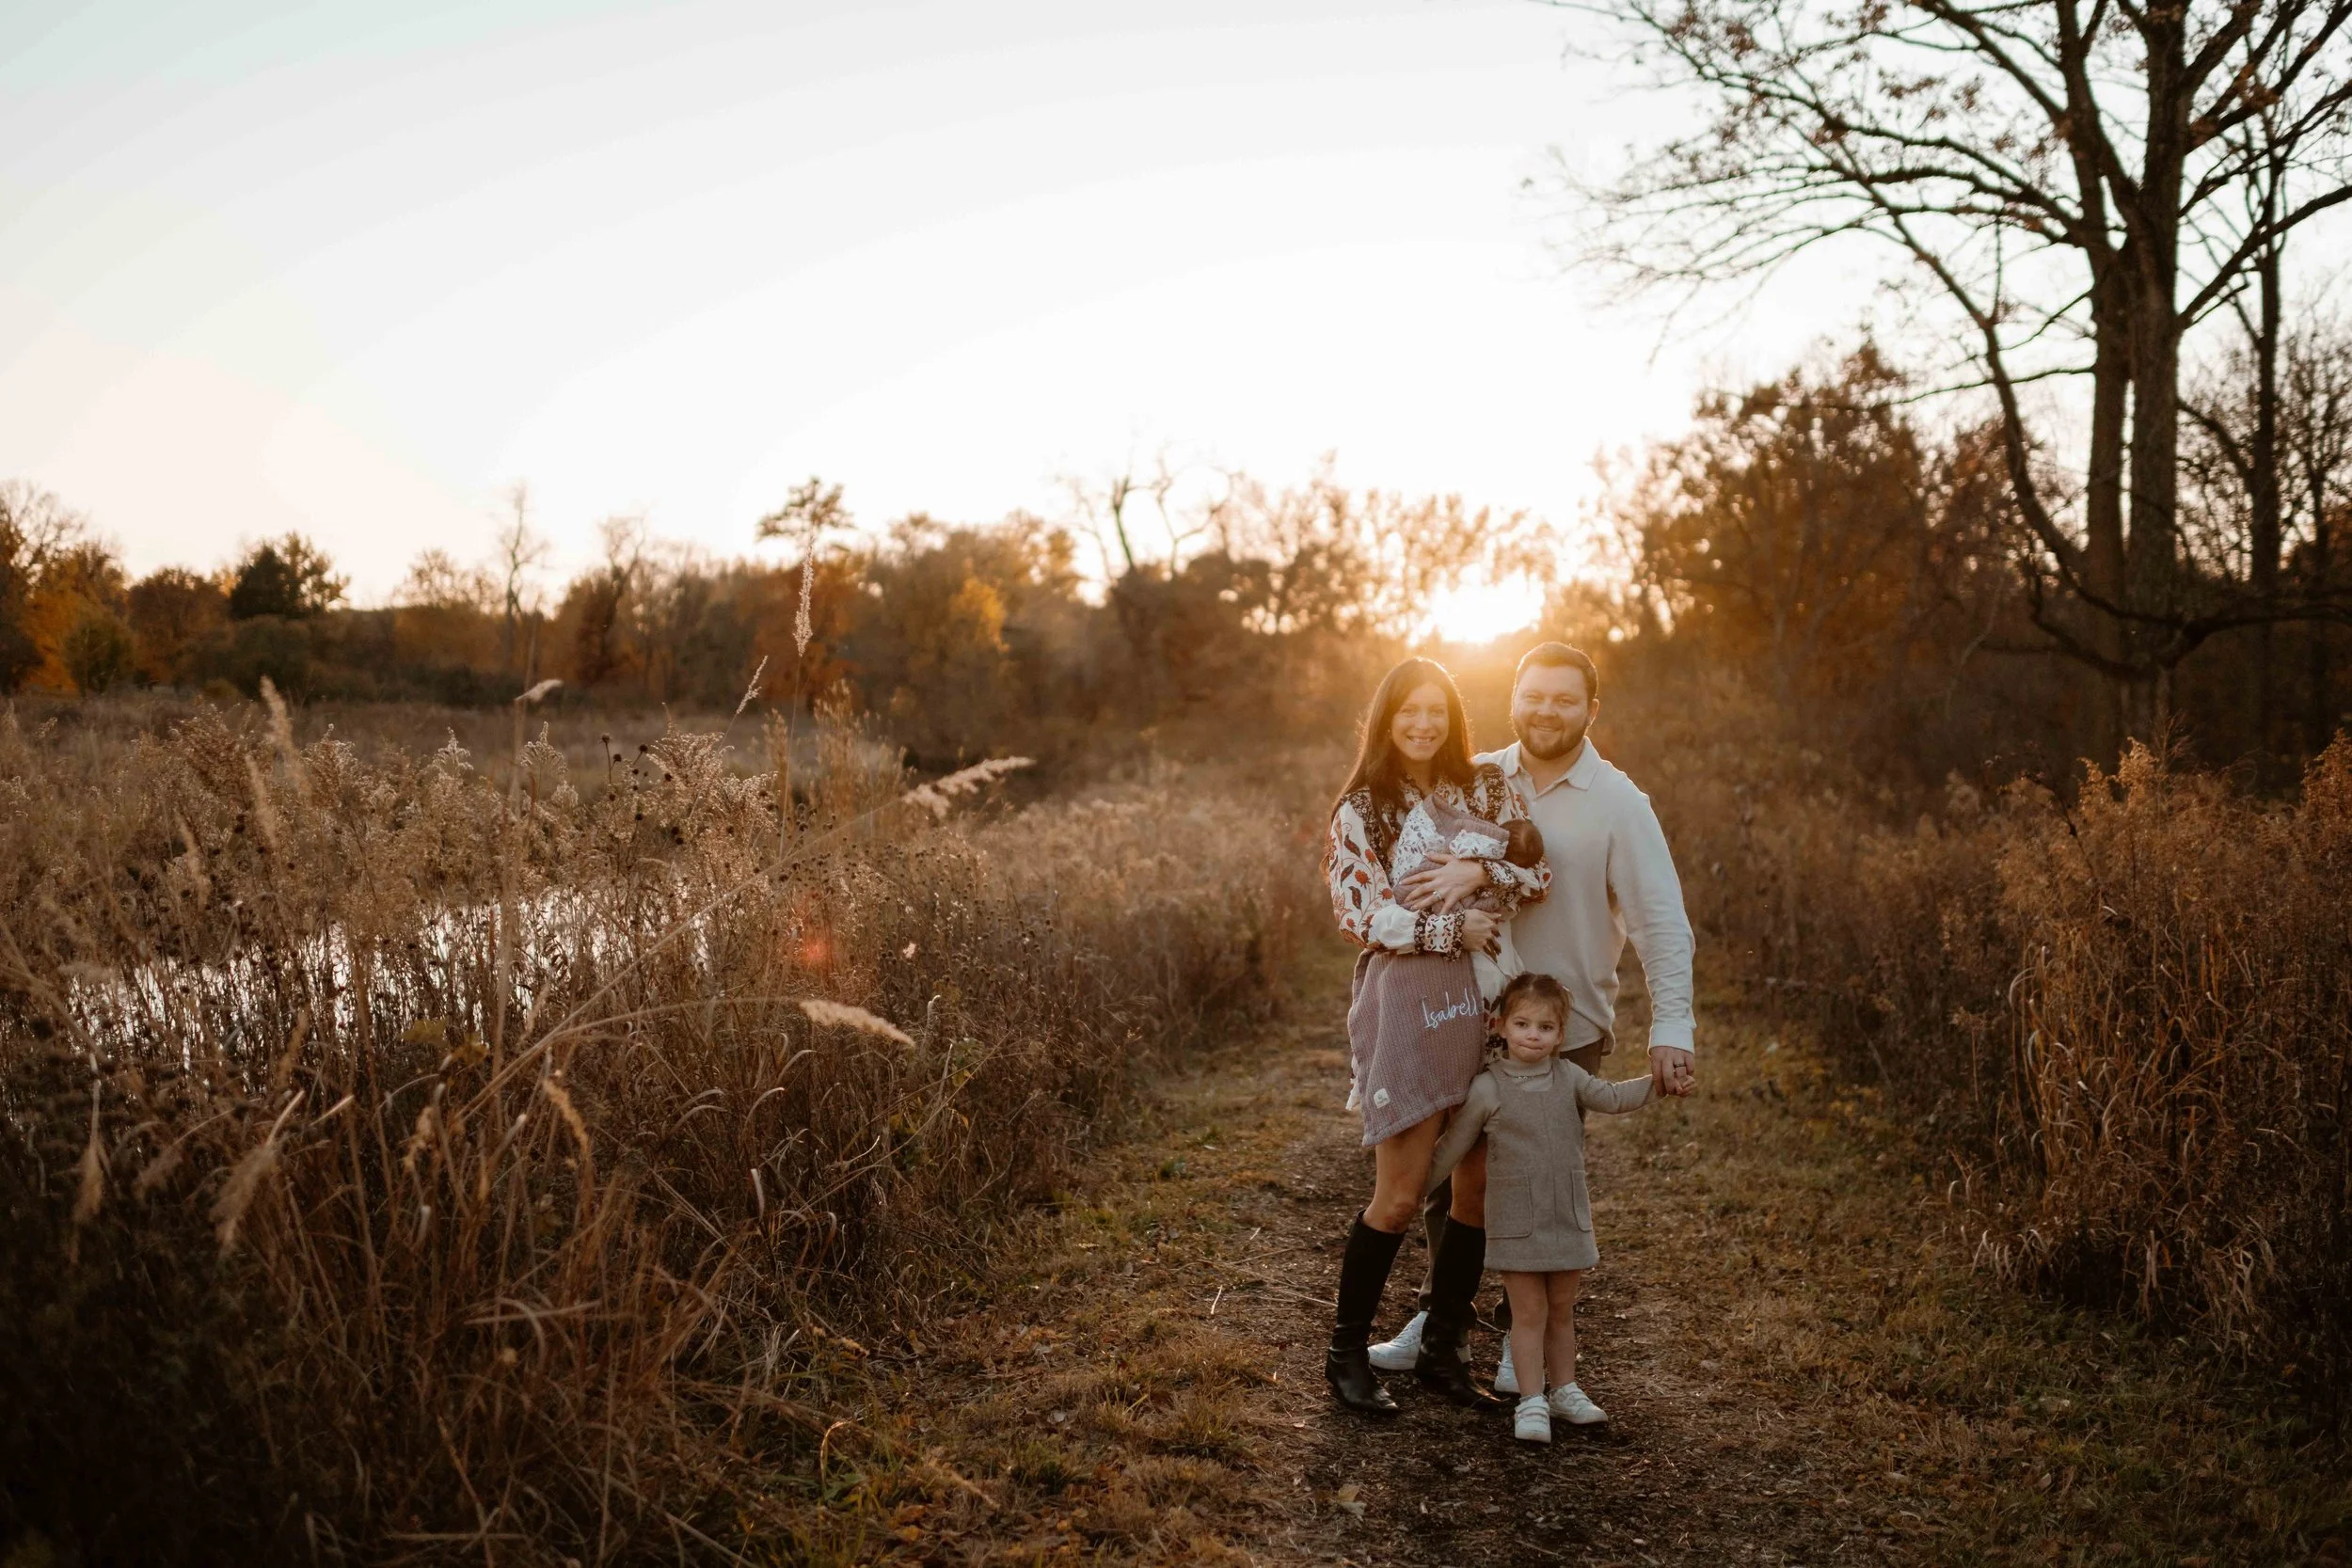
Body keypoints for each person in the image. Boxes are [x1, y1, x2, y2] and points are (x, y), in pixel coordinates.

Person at [1375, 641, 1697, 1394]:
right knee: (1448, 1174)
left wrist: (1671, 1025)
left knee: (1526, 1181)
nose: (1545, 710)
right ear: (1512, 696)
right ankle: (1442, 1314)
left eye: (1563, 698)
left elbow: (1660, 920)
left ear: (1590, 708)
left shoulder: (1619, 802)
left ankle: (1510, 1338)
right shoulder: (1478, 780)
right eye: (1533, 695)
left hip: (1562, 1026)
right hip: (1467, 1011)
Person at [1323, 657, 1549, 1416]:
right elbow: (1361, 915)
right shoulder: (1363, 808)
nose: (1423, 724)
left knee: (1476, 1188)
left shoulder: (1483, 786)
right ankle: (1345, 1353)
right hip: (1414, 1007)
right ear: (1386, 720)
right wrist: (1454, 920)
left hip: (1488, 1003)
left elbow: (1537, 872)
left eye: (1436, 711)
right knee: (1399, 1192)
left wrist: (1469, 871)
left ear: (1454, 718)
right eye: (1407, 711)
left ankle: (1444, 1347)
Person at [1423, 972, 1656, 1443]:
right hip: (1516, 1222)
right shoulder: (1489, 1088)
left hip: (1565, 1215)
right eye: (1523, 1024)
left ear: (1560, 1036)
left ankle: (1565, 1390)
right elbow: (1452, 1148)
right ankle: (1531, 1401)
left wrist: (1662, 1081)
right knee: (1528, 1314)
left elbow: (1611, 1098)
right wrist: (1409, 1187)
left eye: (1545, 1028)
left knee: (1562, 1311)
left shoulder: (1568, 1077)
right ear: (1501, 1026)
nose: (1533, 1035)